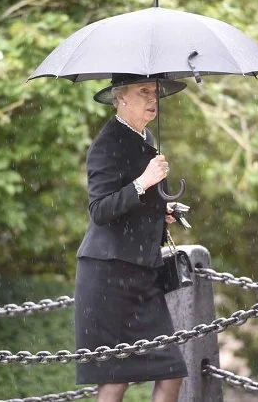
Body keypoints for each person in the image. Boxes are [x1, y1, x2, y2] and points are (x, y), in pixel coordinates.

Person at [75, 73, 189, 402]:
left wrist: (162, 211)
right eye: (143, 92)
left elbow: (135, 206)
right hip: (108, 276)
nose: (153, 98)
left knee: (171, 371)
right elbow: (100, 209)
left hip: (142, 275)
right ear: (120, 97)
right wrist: (144, 182)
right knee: (114, 380)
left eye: (154, 91)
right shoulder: (106, 144)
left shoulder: (145, 137)